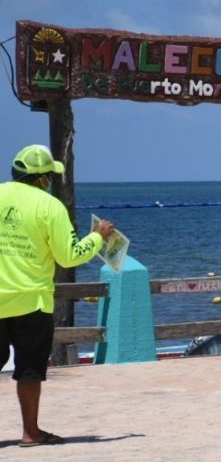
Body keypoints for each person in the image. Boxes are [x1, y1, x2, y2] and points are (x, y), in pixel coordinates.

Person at [0, 145, 115, 447]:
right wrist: (97, 236)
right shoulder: (50, 206)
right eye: (49, 176)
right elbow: (69, 256)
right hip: (32, 301)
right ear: (41, 178)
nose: (51, 181)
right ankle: (31, 432)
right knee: (29, 369)